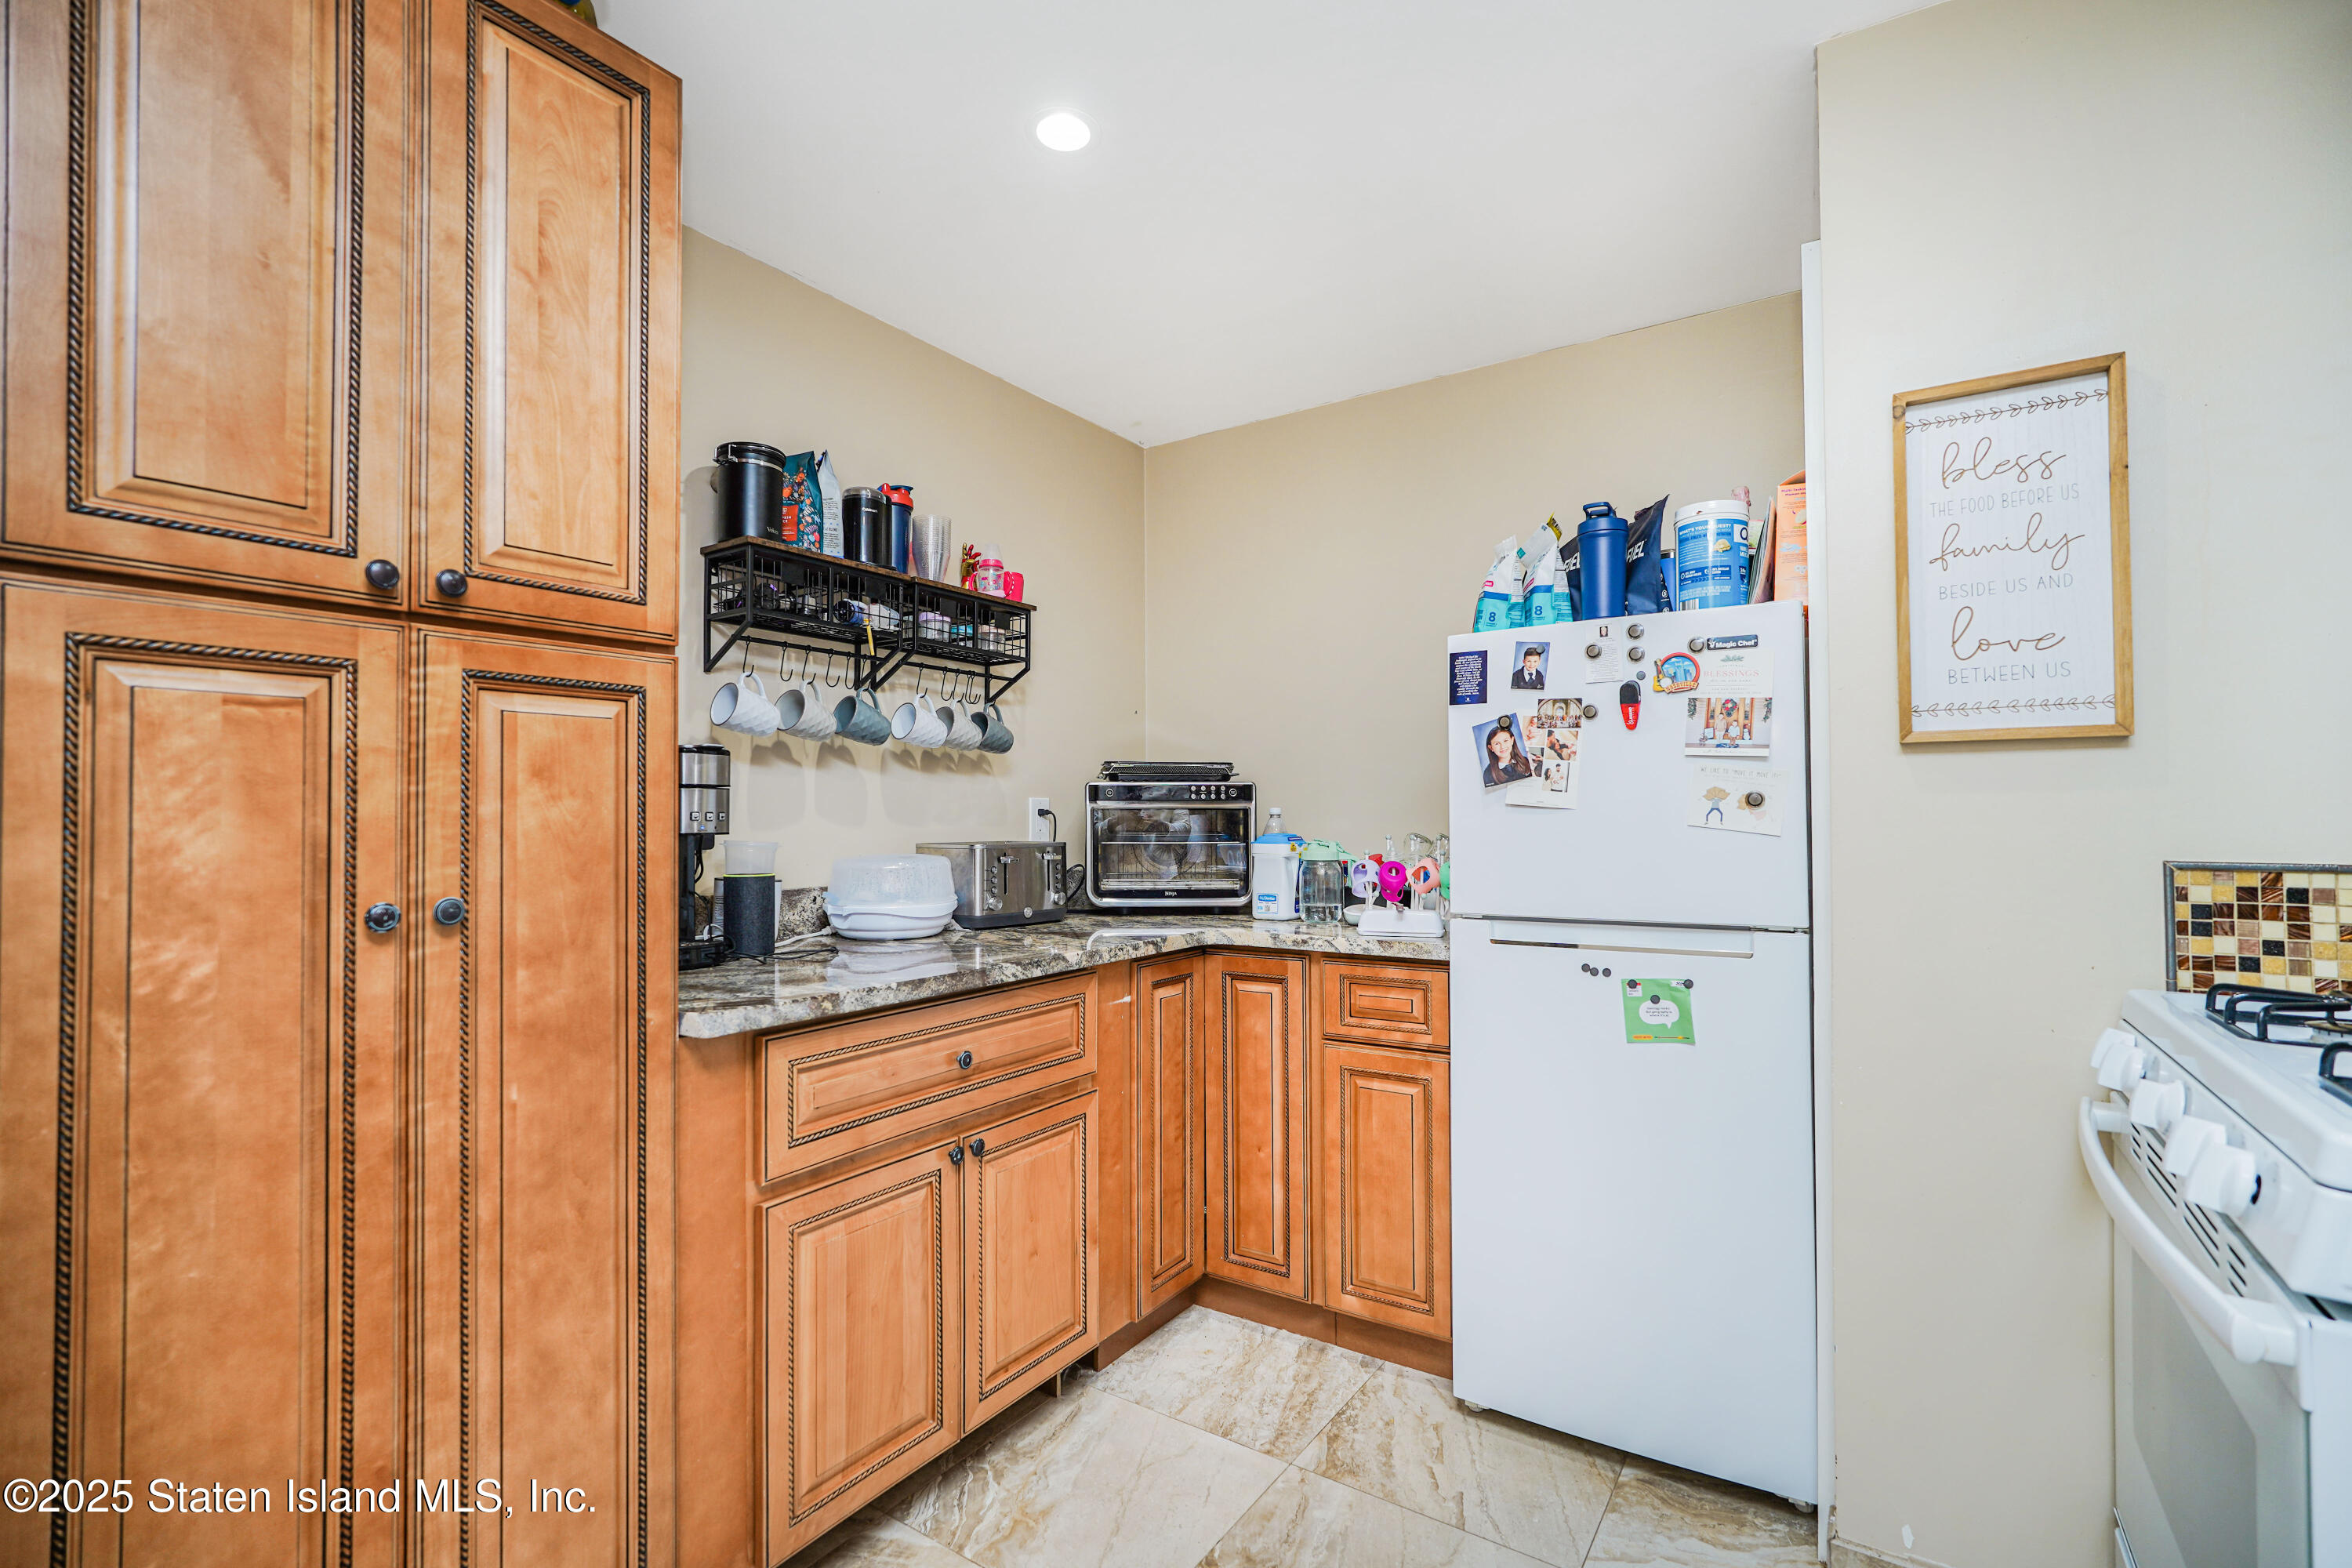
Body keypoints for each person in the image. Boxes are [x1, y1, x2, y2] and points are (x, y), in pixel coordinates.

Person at [1482, 717, 1534, 786]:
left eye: (1505, 741)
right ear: (1491, 748)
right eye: (1497, 744)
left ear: (1512, 741)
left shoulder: (1525, 761)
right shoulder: (1488, 773)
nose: (1502, 747)